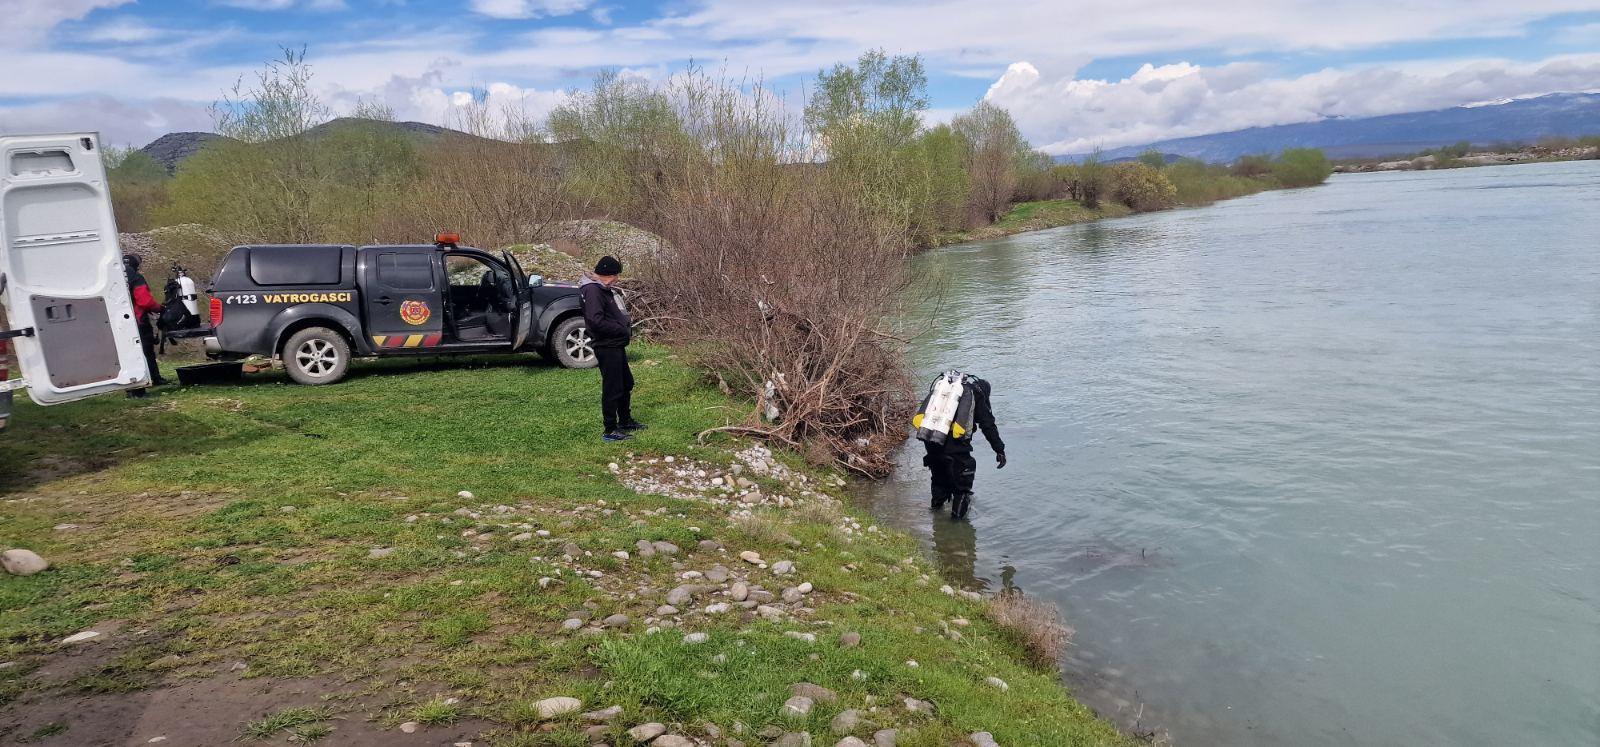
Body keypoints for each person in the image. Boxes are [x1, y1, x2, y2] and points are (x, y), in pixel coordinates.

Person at [912, 370, 1005, 519]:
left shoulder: (948, 391)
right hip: (955, 449)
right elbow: (988, 426)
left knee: (938, 479)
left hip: (931, 442)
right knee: (962, 487)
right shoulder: (977, 396)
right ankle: (957, 530)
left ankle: (936, 519)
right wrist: (999, 449)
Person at [579, 255, 643, 441]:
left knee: (625, 383)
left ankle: (625, 421)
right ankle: (610, 430)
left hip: (615, 344)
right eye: (615, 275)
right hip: (606, 345)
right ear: (606, 274)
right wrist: (619, 328)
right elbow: (594, 320)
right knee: (613, 387)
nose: (617, 279)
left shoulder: (602, 288)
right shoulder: (592, 290)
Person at [124, 254, 166, 396]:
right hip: (138, 320)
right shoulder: (136, 278)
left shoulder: (117, 276)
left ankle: (133, 386)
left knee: (129, 353)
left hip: (120, 322)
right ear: (136, 264)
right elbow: (144, 301)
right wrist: (159, 308)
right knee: (146, 351)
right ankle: (146, 384)